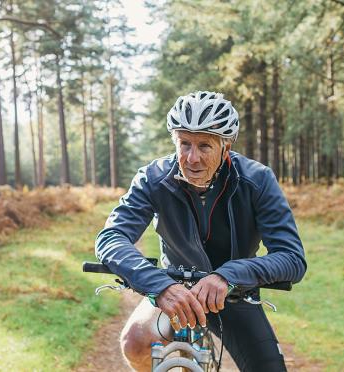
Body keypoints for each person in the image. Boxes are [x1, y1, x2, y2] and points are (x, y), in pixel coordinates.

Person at [95, 91, 307, 371]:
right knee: (134, 342)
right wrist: (159, 285)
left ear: (226, 146)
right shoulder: (153, 178)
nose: (192, 158)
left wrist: (228, 275)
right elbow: (111, 238)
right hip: (174, 288)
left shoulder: (257, 180)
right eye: (184, 144)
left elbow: (292, 257)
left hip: (234, 291)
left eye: (205, 146)